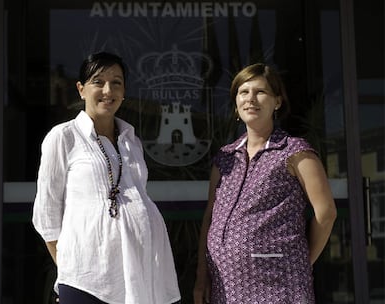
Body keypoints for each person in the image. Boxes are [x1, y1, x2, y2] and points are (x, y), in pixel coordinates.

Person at [32, 52, 181, 304]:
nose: (107, 90)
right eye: (98, 82)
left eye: (116, 82)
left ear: (123, 92)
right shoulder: (64, 137)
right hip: (87, 279)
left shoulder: (132, 141)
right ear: (81, 89)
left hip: (145, 272)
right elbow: (46, 214)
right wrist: (70, 267)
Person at [193, 63, 337, 304]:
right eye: (243, 92)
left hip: (277, 287)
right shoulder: (225, 157)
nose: (251, 99)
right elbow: (210, 217)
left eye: (261, 92)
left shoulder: (295, 152)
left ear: (277, 102)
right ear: (236, 103)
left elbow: (326, 213)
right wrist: (201, 275)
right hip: (225, 287)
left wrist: (297, 262)